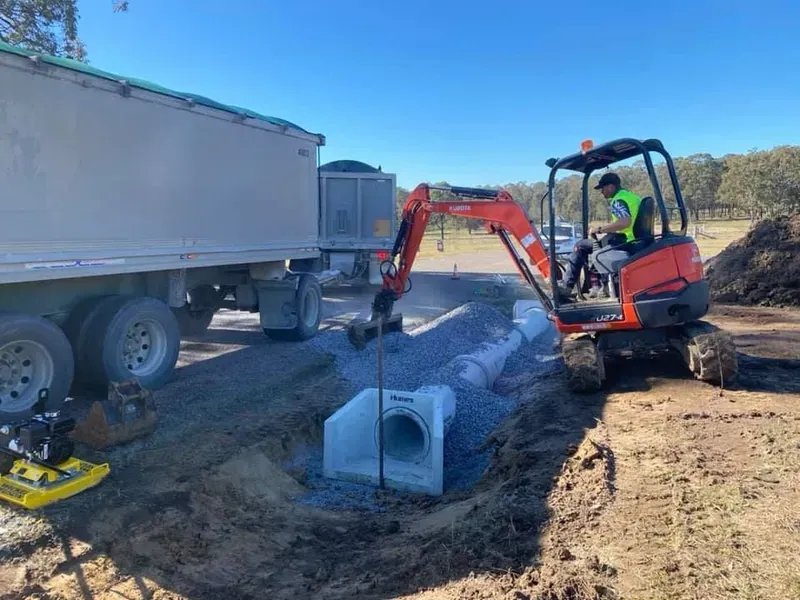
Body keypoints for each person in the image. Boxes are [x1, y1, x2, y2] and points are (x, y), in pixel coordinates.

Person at [557, 172, 642, 300]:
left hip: (627, 241)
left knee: (580, 246)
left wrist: (599, 229)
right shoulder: (633, 197)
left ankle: (567, 286)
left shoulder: (618, 200)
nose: (602, 192)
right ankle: (595, 286)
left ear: (611, 187)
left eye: (602, 188)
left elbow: (625, 222)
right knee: (598, 248)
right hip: (637, 240)